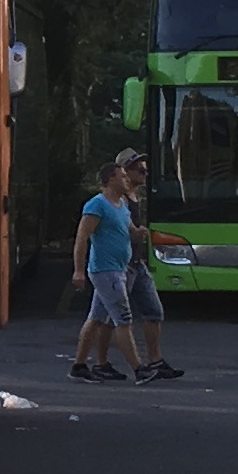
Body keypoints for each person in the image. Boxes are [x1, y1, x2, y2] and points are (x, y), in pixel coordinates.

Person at [113, 150, 183, 380]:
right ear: (125, 171)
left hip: (138, 262)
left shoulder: (135, 195)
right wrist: (135, 233)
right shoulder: (118, 198)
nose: (145, 174)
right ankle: (97, 363)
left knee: (154, 312)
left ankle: (156, 361)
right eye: (140, 170)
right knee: (106, 319)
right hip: (123, 264)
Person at [69, 159, 140, 381]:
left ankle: (79, 366)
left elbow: (129, 230)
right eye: (123, 177)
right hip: (104, 271)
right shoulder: (96, 205)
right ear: (111, 179)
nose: (127, 180)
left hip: (119, 269)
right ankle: (139, 369)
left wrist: (139, 233)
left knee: (96, 318)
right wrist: (78, 270)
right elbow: (82, 238)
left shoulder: (122, 205)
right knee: (123, 319)